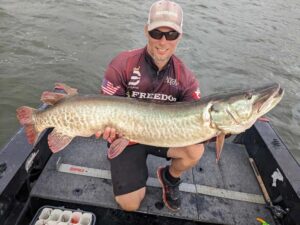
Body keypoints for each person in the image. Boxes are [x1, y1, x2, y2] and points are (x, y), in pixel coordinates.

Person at [100, 0, 204, 212]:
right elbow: (106, 108)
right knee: (129, 205)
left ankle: (169, 177)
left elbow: (195, 119)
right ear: (147, 31)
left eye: (171, 35)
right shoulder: (122, 64)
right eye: (157, 33)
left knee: (195, 150)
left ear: (180, 37)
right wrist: (108, 131)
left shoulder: (186, 77)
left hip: (164, 135)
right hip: (126, 138)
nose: (163, 41)